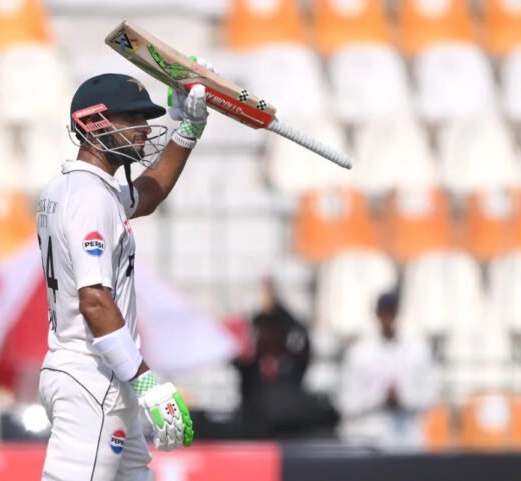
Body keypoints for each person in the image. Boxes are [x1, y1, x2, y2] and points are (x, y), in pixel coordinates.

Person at [36, 71, 210, 480]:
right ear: (95, 123)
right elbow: (94, 300)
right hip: (93, 376)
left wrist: (189, 129)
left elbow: (149, 194)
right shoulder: (89, 198)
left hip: (103, 373)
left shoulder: (79, 188)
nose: (145, 129)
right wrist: (145, 381)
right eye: (132, 118)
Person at [235, 279, 336, 439]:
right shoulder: (251, 366)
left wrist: (278, 306)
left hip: (289, 434)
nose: (267, 334)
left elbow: (303, 335)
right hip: (256, 435)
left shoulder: (292, 365)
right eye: (263, 330)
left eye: (272, 330)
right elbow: (236, 350)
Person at [338, 291, 439, 449]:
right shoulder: (359, 353)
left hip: (407, 438)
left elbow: (430, 396)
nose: (388, 318)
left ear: (397, 313)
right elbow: (347, 402)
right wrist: (380, 398)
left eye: (391, 312)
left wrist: (403, 398)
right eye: (384, 312)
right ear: (377, 314)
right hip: (369, 437)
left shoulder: (418, 351)